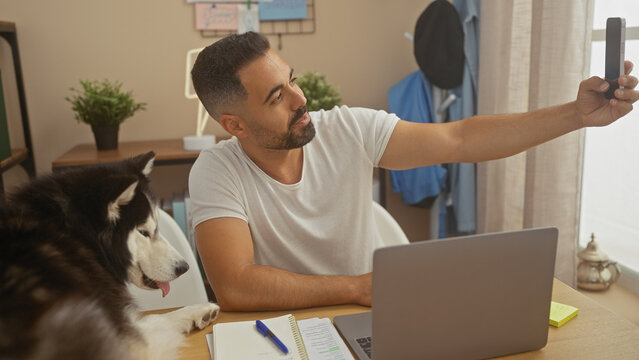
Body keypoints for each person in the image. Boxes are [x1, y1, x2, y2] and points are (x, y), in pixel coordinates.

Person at [189, 32, 638, 311]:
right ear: (235, 125)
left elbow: (460, 139)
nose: (299, 98)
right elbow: (236, 286)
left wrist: (576, 115)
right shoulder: (217, 170)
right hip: (279, 336)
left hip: (370, 320)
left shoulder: (347, 129)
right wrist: (357, 287)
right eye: (275, 96)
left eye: (292, 79)